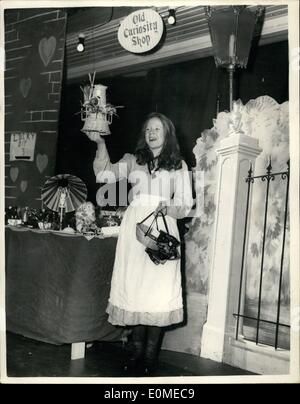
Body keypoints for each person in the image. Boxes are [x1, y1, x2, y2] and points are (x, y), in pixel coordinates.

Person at [88, 112, 193, 375]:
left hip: (163, 229)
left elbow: (185, 204)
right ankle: (134, 357)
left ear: (167, 133)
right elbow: (103, 174)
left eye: (157, 129)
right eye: (148, 129)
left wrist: (167, 206)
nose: (152, 133)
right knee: (135, 291)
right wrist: (100, 143)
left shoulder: (178, 165)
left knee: (156, 295)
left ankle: (149, 361)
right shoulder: (132, 160)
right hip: (134, 231)